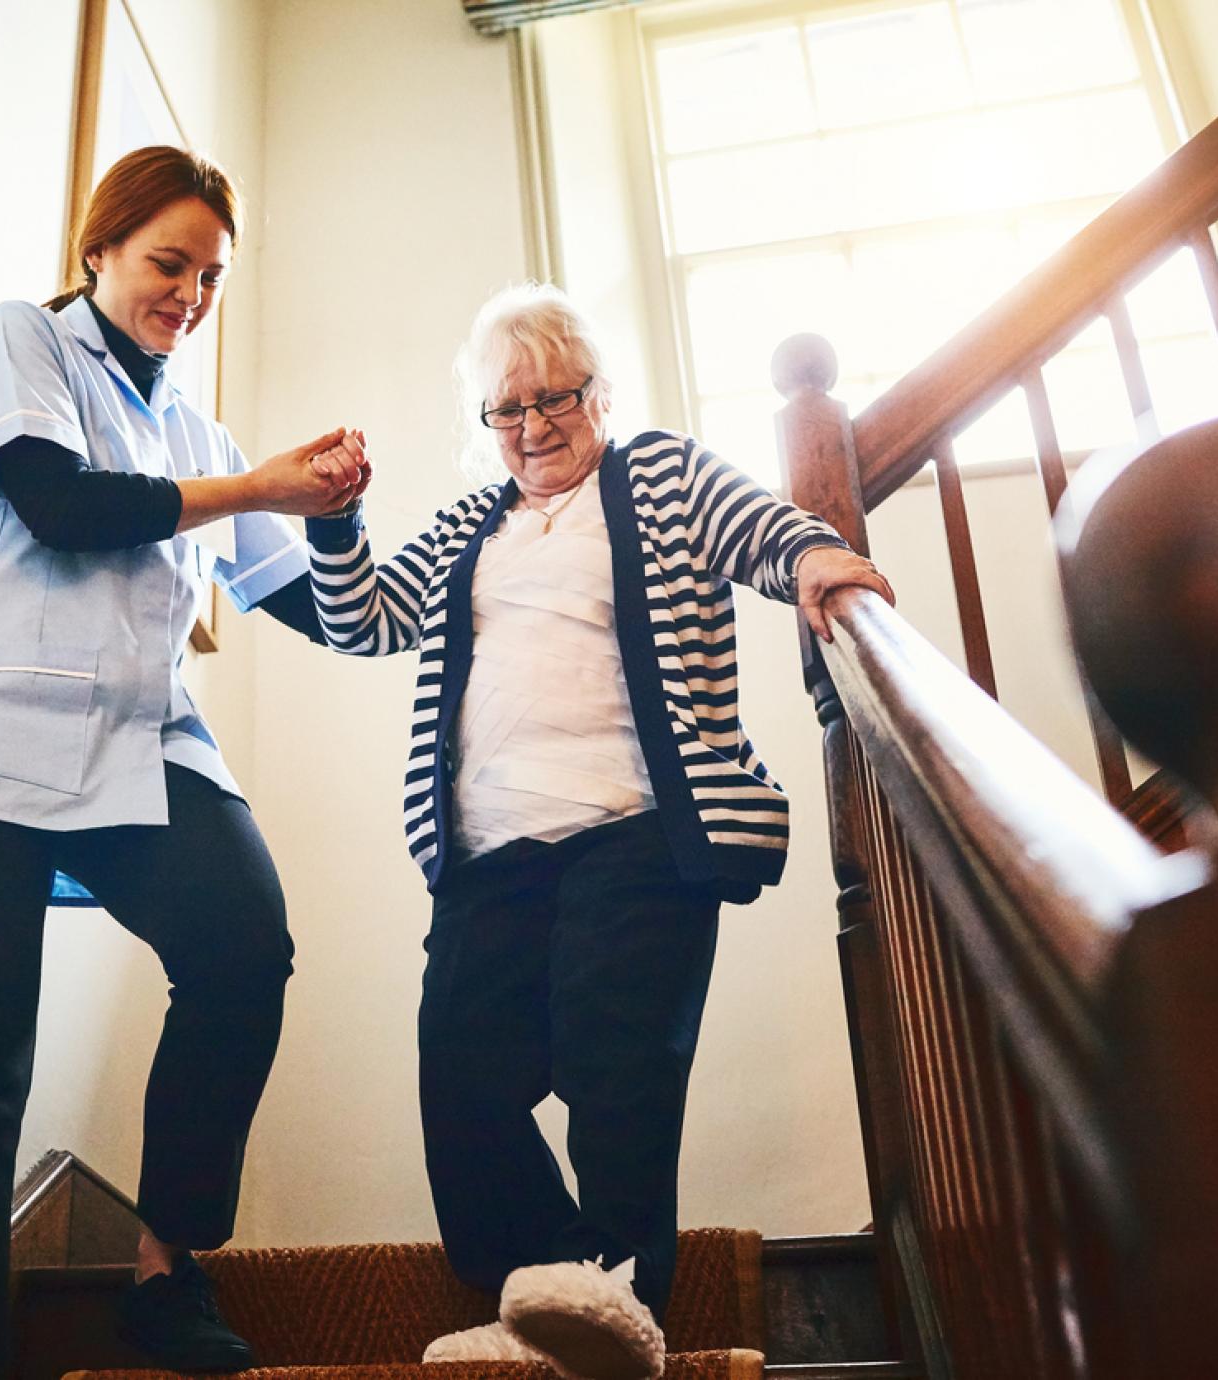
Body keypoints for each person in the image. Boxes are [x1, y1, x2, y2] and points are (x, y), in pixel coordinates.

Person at [303, 284, 893, 1377]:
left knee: (612, 1061)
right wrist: (335, 521)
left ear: (599, 393)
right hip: (487, 852)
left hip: (635, 831)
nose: (530, 425)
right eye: (505, 409)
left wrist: (814, 561)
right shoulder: (468, 526)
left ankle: (617, 1293)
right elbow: (360, 621)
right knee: (459, 1073)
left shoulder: (658, 473)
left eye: (554, 397)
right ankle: (546, 1299)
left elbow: (756, 526)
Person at [0, 145, 370, 1380]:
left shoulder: (197, 425)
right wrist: (254, 485)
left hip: (144, 742)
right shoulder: (20, 342)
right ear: (99, 249)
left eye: (208, 275)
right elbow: (57, 500)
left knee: (245, 947)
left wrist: (338, 505)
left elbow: (312, 606)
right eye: (167, 263)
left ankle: (163, 1274)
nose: (188, 294)